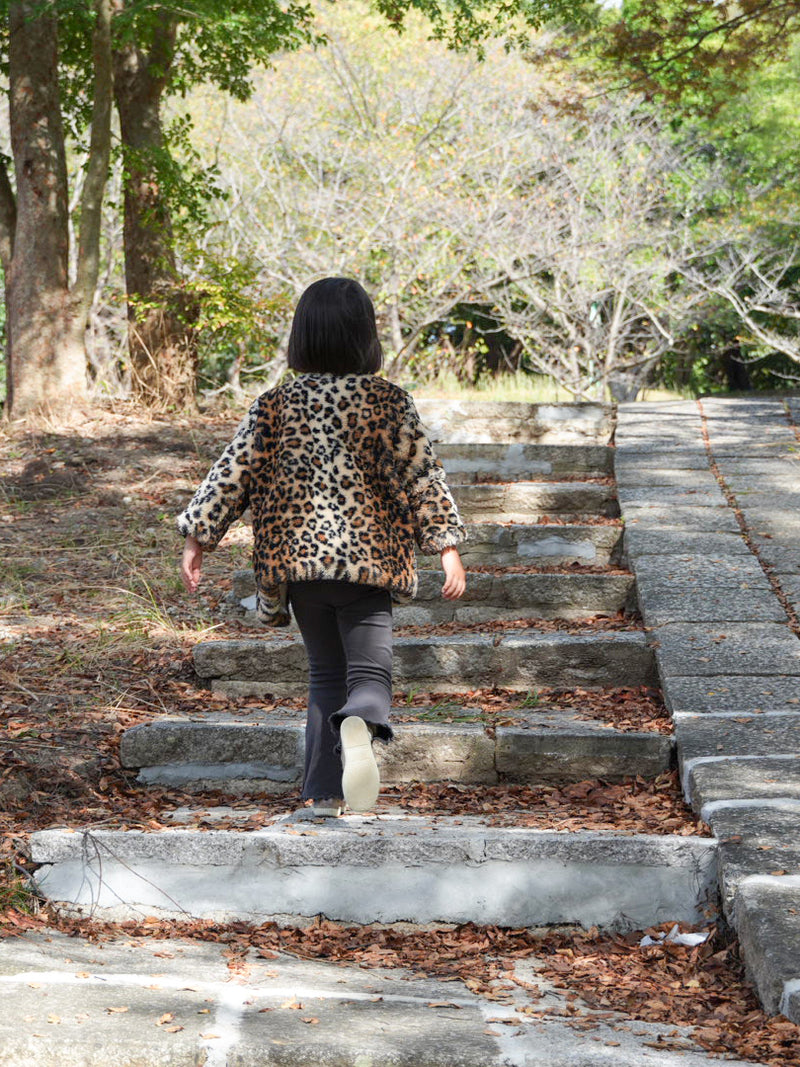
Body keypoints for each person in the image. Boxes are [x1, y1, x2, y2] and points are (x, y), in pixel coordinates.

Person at [177, 277, 467, 816]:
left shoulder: (275, 404)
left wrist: (199, 535)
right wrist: (445, 544)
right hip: (371, 563)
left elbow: (232, 472)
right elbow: (422, 476)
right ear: (366, 337)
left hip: (300, 568)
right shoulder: (388, 402)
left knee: (325, 675)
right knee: (369, 675)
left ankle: (320, 789)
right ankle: (362, 720)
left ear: (301, 337)